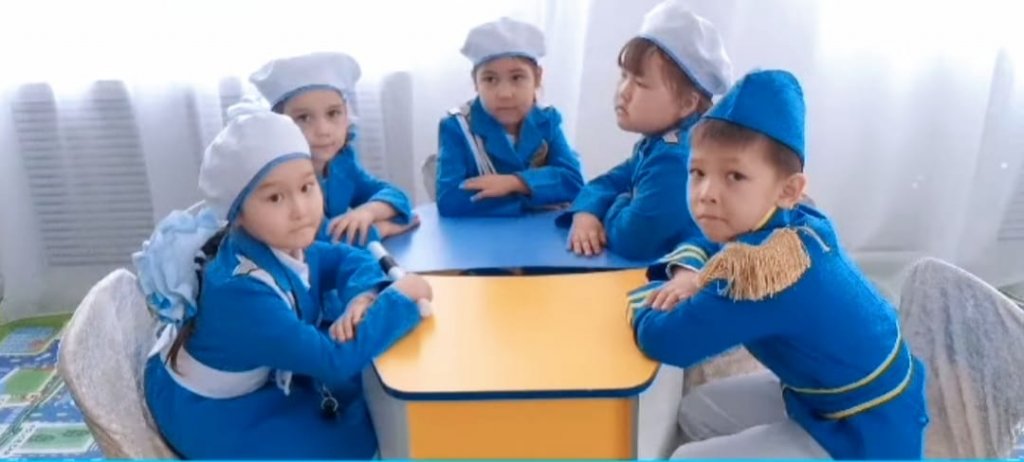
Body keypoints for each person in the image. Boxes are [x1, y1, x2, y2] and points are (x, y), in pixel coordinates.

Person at [629, 70, 929, 459]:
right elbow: (712, 241)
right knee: (696, 410)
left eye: (735, 176)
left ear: (789, 189)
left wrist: (645, 299)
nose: (707, 194)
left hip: (863, 431)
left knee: (686, 458)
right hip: (821, 393)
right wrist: (689, 273)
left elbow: (666, 340)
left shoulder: (767, 273)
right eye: (698, 172)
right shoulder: (794, 219)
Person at [133, 103, 432, 459]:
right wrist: (399, 298)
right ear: (237, 214)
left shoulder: (278, 241)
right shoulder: (241, 291)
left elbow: (344, 257)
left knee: (361, 392)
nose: (300, 210)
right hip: (208, 410)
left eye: (307, 187)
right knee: (355, 440)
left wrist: (363, 296)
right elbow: (332, 359)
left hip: (239, 371)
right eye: (275, 197)